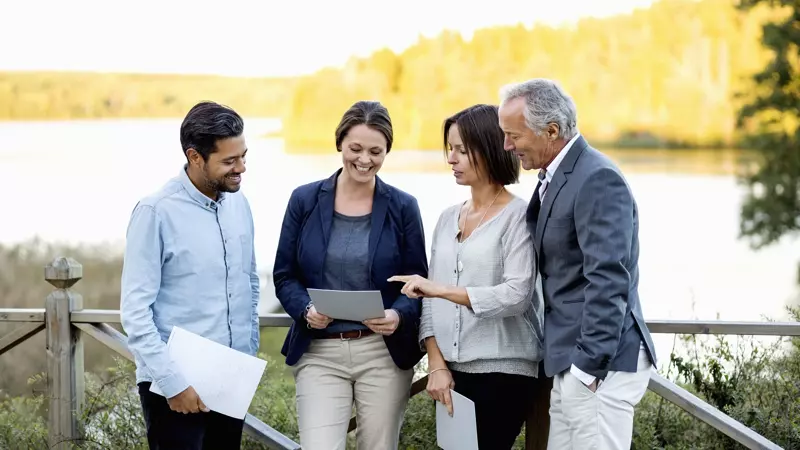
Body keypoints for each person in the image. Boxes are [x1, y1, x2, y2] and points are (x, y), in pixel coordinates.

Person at [497, 78, 658, 450]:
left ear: (551, 130)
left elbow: (608, 281)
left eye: (513, 135)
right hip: (570, 364)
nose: (507, 145)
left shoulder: (597, 178)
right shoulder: (556, 177)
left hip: (599, 367)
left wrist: (587, 369)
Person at [273, 100, 427, 450]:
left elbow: (417, 280)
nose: (364, 159)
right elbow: (284, 275)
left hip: (382, 352)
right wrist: (306, 310)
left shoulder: (404, 206)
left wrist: (397, 314)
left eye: (376, 151)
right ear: (339, 142)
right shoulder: (304, 200)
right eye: (355, 148)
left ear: (388, 150)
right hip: (319, 352)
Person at [389, 104, 544, 449]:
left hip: (504, 373)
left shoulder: (519, 217)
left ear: (490, 148)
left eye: (461, 150)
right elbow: (427, 300)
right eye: (450, 149)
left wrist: (442, 289)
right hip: (451, 373)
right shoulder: (447, 219)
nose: (451, 159)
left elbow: (516, 295)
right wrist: (436, 362)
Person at [119, 101, 259, 449]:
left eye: (243, 156)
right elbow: (135, 313)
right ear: (195, 156)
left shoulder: (239, 204)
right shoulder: (155, 212)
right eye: (229, 161)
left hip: (231, 380)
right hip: (176, 387)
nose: (241, 168)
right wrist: (173, 384)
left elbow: (249, 282)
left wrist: (247, 355)